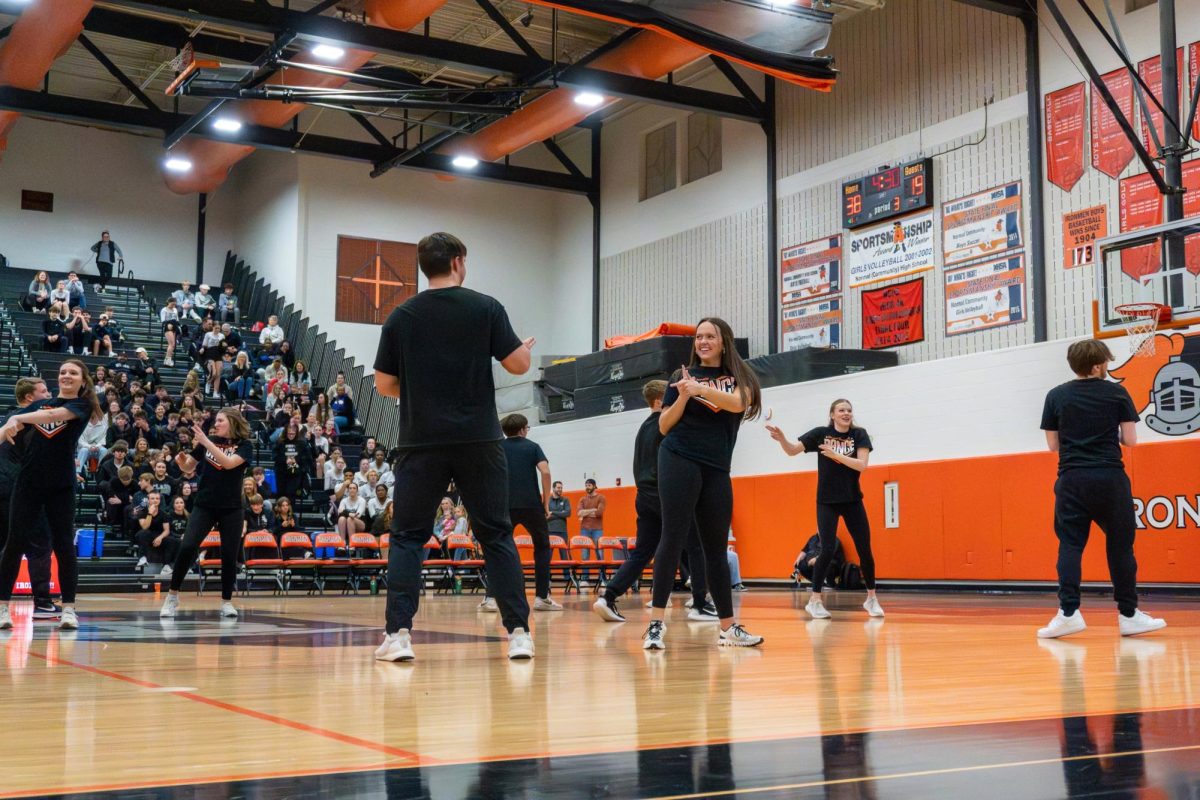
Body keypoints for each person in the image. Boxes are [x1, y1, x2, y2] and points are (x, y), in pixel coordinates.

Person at [372, 231, 536, 662]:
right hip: (479, 440)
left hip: (420, 441)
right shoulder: (486, 307)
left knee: (407, 537)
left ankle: (399, 636)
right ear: (459, 261)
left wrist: (426, 383)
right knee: (496, 534)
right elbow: (519, 364)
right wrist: (516, 350)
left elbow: (384, 385)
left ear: (423, 266)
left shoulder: (400, 316)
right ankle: (519, 633)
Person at [642, 318, 764, 650]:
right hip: (678, 457)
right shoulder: (680, 377)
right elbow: (664, 426)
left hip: (716, 466)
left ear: (724, 341)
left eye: (710, 336)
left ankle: (728, 628)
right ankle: (655, 624)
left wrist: (699, 390)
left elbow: (739, 403)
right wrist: (682, 396)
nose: (703, 341)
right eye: (698, 337)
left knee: (716, 548)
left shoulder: (740, 378)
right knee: (673, 536)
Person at [1036, 339, 1166, 639]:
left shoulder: (1055, 396)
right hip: (1109, 478)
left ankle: (1068, 614)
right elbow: (1131, 441)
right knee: (1120, 547)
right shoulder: (1117, 393)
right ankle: (1129, 616)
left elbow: (1053, 445)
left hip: (1072, 480)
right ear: (1097, 365)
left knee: (1070, 546)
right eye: (1105, 362)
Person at [593, 380, 715, 624]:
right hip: (666, 494)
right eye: (670, 397)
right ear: (659, 402)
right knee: (696, 544)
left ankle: (608, 596)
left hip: (644, 496)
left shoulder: (642, 429)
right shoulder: (667, 423)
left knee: (642, 552)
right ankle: (701, 603)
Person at [0, 360, 103, 631]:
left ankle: (68, 609)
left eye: (72, 372)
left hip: (61, 485)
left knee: (64, 545)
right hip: (28, 483)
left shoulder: (82, 405)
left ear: (83, 380)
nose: (66, 375)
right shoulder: (35, 406)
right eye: (62, 372)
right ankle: (2, 608)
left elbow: (51, 417)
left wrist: (18, 417)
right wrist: (9, 424)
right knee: (14, 543)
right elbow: (9, 430)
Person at [767, 399, 883, 620]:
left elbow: (862, 465)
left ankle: (871, 598)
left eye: (849, 410)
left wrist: (836, 455)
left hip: (852, 500)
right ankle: (815, 601)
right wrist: (782, 439)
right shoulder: (821, 434)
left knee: (864, 548)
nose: (846, 413)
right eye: (841, 410)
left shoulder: (859, 435)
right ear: (832, 414)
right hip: (827, 501)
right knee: (827, 549)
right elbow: (792, 451)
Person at [159, 409, 254, 619]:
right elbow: (188, 468)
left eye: (220, 420)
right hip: (205, 504)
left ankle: (226, 601)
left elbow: (229, 464)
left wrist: (206, 442)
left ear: (231, 422)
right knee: (188, 546)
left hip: (232, 507)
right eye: (216, 420)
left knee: (229, 554)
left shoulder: (245, 446)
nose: (216, 423)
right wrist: (180, 459)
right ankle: (172, 596)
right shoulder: (209, 440)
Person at [0, 378, 58, 618]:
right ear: (28, 399)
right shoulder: (33, 414)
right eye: (44, 392)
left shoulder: (9, 418)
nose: (49, 395)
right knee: (40, 543)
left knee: (5, 544)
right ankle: (43, 602)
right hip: (16, 484)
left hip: (5, 483)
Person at [496, 413, 561, 611]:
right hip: (532, 505)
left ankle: (491, 597)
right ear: (523, 429)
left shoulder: (498, 448)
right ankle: (541, 597)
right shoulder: (532, 447)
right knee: (542, 548)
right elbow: (546, 472)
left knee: (499, 549)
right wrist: (546, 502)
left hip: (505, 505)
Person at [134, 491, 173, 571]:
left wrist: (160, 537)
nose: (155, 500)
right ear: (148, 500)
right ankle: (142, 558)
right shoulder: (142, 512)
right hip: (145, 535)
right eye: (152, 498)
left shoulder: (163, 514)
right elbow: (145, 527)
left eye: (157, 498)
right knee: (144, 533)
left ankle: (166, 566)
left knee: (172, 540)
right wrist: (150, 514)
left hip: (158, 536)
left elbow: (167, 530)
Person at [576, 478, 605, 580]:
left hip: (597, 529)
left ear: (594, 486)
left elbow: (599, 513)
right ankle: (585, 578)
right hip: (585, 529)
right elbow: (579, 513)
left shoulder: (601, 497)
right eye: (586, 485)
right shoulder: (582, 499)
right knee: (584, 554)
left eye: (589, 485)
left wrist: (585, 512)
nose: (587, 487)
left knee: (600, 553)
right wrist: (592, 510)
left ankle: (602, 578)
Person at [160, 297, 182, 366]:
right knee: (171, 343)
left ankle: (168, 359)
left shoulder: (175, 309)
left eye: (174, 305)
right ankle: (167, 359)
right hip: (168, 326)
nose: (173, 306)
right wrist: (168, 323)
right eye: (172, 304)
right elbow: (163, 320)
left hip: (174, 326)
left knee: (173, 345)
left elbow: (177, 319)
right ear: (168, 303)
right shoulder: (164, 310)